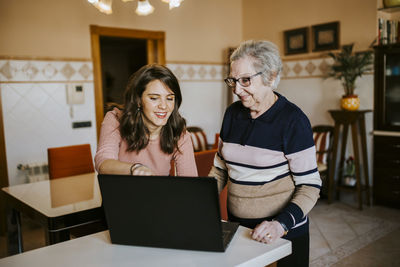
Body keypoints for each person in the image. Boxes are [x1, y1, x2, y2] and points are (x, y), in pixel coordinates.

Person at [209, 40, 321, 266]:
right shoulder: (232, 114)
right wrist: (200, 203)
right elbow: (219, 170)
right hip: (239, 230)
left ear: (271, 76)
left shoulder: (293, 121)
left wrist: (280, 224)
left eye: (245, 80)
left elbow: (310, 184)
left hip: (283, 233)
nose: (237, 90)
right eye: (233, 80)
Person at [95, 64, 198, 177]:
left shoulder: (180, 135)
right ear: (138, 100)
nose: (164, 106)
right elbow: (103, 163)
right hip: (121, 193)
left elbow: (190, 180)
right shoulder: (115, 119)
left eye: (169, 98)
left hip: (157, 194)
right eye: (154, 98)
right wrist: (135, 169)